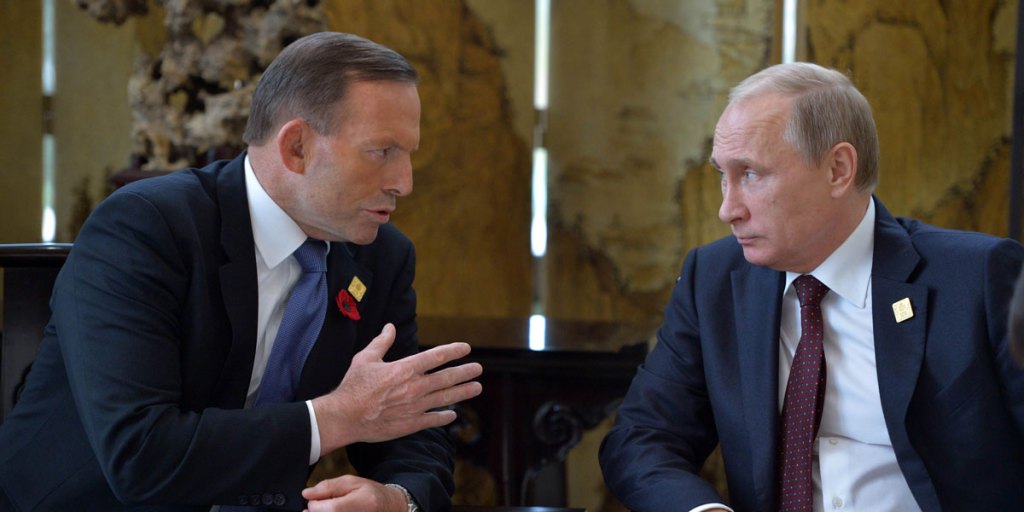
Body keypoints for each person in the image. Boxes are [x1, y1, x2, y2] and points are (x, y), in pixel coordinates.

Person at [0, 32, 483, 512]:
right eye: (382, 151)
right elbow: (140, 455)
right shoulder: (146, 228)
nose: (404, 183)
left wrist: (396, 500)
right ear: (296, 147)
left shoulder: (381, 257)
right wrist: (338, 417)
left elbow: (412, 428)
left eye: (409, 153)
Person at [599, 62, 1024, 511]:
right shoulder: (714, 280)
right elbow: (641, 437)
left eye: (750, 174)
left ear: (838, 169)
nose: (728, 209)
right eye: (722, 175)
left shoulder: (979, 279)